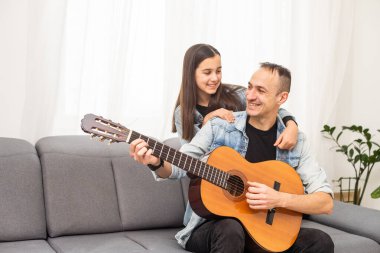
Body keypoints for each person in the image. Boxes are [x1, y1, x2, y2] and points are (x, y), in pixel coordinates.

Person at [130, 62, 334, 253]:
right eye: (250, 87)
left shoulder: (295, 141)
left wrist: (279, 198)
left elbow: (325, 202)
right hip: (213, 228)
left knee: (321, 241)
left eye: (261, 91)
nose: (250, 96)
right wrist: (156, 163)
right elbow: (179, 166)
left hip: (262, 232)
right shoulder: (220, 126)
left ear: (281, 98)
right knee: (231, 228)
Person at [172, 44, 298, 148]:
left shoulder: (237, 94)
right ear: (190, 74)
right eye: (207, 72)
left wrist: (291, 125)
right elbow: (190, 158)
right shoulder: (182, 113)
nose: (215, 78)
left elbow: (271, 108)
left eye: (218, 71)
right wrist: (207, 123)